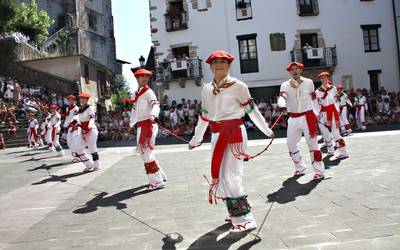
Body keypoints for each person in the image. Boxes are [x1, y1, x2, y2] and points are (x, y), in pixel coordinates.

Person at [188, 50, 274, 233]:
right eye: (215, 62)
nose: (219, 65)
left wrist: (267, 130)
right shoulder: (206, 89)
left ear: (229, 65)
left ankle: (246, 218)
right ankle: (234, 210)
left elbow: (252, 111)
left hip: (235, 134)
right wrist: (195, 140)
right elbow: (204, 117)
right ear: (210, 66)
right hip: (217, 135)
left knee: (232, 176)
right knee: (221, 174)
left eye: (223, 62)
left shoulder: (239, 86)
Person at [277, 62, 325, 180]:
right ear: (290, 72)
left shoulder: (309, 82)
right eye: (292, 69)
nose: (294, 71)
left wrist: (317, 112)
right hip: (293, 117)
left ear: (300, 70)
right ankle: (300, 167)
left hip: (308, 116)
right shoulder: (285, 85)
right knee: (291, 143)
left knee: (312, 144)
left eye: (296, 69)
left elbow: (313, 99)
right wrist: (281, 105)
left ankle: (319, 171)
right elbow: (282, 97)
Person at [129, 68, 167, 190]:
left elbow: (155, 105)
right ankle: (160, 175)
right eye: (142, 77)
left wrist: (153, 115)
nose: (144, 79)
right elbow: (134, 110)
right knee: (146, 153)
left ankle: (157, 181)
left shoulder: (149, 92)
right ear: (137, 78)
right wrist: (130, 124)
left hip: (148, 125)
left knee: (146, 154)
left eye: (146, 77)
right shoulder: (136, 94)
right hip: (141, 126)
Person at [315, 72, 349, 159]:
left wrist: (337, 110)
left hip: (332, 112)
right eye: (322, 78)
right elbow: (317, 103)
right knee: (324, 131)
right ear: (320, 79)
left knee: (335, 133)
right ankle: (330, 149)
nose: (323, 79)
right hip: (323, 113)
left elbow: (336, 101)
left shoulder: (333, 88)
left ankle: (343, 152)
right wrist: (318, 113)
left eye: (325, 77)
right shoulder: (318, 91)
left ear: (327, 78)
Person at [77, 92, 100, 171]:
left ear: (87, 100)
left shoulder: (90, 108)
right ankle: (89, 165)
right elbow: (78, 120)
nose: (82, 100)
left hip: (91, 130)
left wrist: (90, 125)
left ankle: (97, 165)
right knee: (78, 149)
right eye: (81, 98)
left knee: (92, 148)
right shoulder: (80, 109)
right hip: (83, 131)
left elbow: (92, 118)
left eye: (84, 98)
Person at [64, 95, 80, 163]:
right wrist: (65, 126)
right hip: (70, 127)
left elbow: (76, 117)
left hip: (75, 126)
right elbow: (67, 118)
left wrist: (72, 123)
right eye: (69, 100)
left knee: (74, 142)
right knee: (69, 142)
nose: (70, 101)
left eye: (72, 100)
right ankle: (75, 156)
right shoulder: (67, 108)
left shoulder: (76, 108)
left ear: (74, 101)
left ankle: (78, 157)